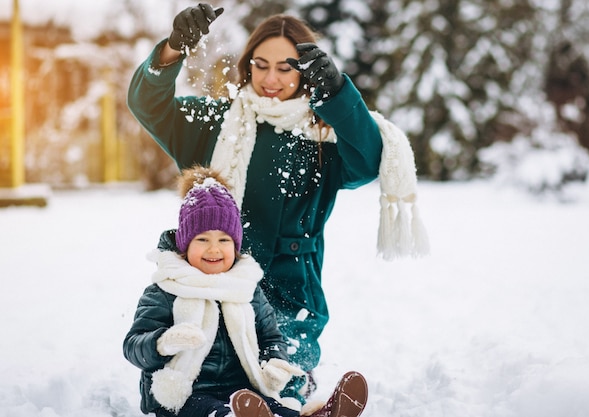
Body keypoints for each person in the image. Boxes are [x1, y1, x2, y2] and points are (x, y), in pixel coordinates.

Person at [127, 3, 428, 393]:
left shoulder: (325, 134)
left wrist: (338, 95)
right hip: (213, 283)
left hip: (291, 290)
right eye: (261, 64)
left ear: (304, 71)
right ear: (247, 64)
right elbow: (148, 104)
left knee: (284, 378)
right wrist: (173, 48)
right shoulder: (216, 125)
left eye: (285, 67)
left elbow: (369, 161)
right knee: (211, 380)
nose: (271, 78)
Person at [123, 165, 369, 417]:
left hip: (243, 392)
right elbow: (132, 346)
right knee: (213, 411)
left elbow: (270, 337)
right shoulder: (166, 289)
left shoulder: (247, 290)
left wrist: (274, 361)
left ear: (236, 245)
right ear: (185, 244)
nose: (214, 250)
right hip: (184, 396)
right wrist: (162, 343)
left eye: (223, 240)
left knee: (276, 407)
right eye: (203, 239)